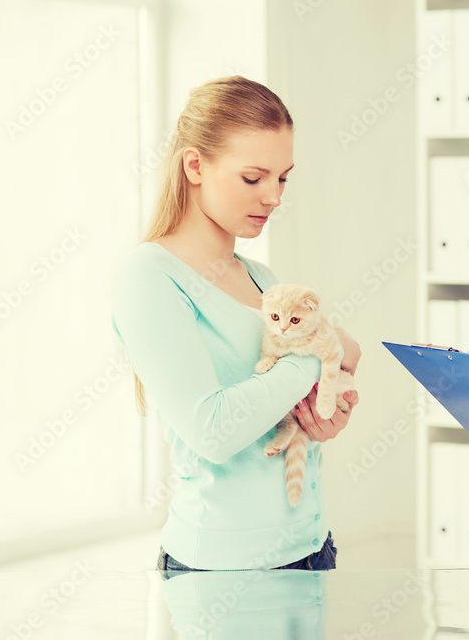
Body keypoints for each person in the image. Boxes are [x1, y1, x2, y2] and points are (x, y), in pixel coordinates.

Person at [111, 75, 361, 572]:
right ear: (196, 165)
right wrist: (318, 354)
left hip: (312, 549)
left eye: (283, 177)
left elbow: (278, 407)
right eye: (254, 178)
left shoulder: (262, 279)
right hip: (225, 572)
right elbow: (213, 431)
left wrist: (319, 421)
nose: (274, 197)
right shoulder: (150, 277)